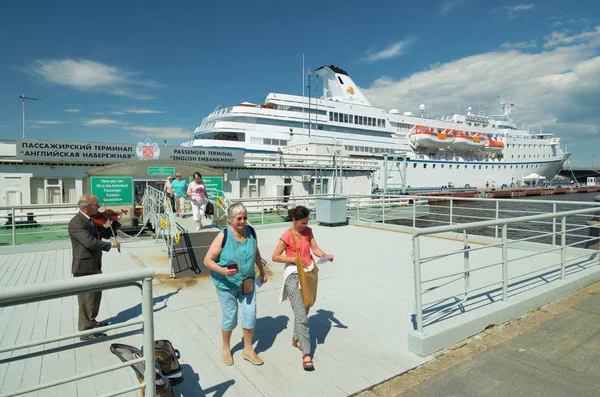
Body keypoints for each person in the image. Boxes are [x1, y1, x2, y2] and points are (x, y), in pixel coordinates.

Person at [204, 203, 268, 366]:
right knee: (230, 317)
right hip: (226, 284)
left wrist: (262, 270)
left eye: (244, 217)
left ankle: (248, 349)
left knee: (250, 315)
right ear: (230, 219)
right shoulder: (223, 235)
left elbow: (256, 252)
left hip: (247, 281)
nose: (242, 221)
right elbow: (207, 260)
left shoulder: (251, 232)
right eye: (239, 218)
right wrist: (223, 271)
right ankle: (226, 348)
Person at [271, 206, 334, 371]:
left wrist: (325, 255)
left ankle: (295, 338)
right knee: (302, 316)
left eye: (307, 222)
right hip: (293, 275)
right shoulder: (287, 235)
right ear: (294, 221)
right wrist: (295, 259)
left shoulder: (308, 231)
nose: (305, 225)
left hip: (308, 274)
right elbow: (275, 256)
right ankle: (306, 354)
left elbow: (315, 248)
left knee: (305, 309)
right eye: (302, 223)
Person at [68, 195, 121, 340]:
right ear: (87, 206)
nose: (98, 209)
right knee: (86, 300)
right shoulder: (76, 223)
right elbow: (90, 242)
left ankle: (92, 322)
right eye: (96, 206)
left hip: (95, 264)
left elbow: (104, 233)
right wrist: (110, 245)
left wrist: (115, 220)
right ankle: (85, 331)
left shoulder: (91, 220)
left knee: (95, 297)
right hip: (83, 266)